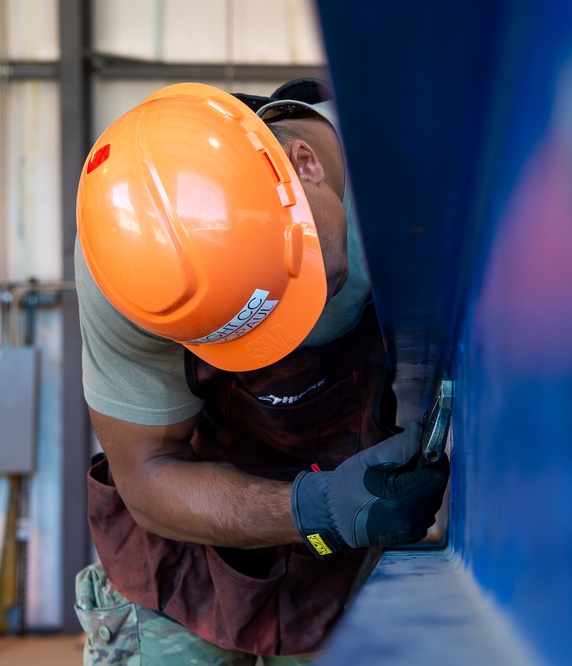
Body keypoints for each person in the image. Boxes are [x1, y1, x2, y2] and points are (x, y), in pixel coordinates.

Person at [72, 78, 450, 664]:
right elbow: (147, 478)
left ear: (307, 165)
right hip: (185, 552)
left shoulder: (421, 183)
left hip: (350, 551)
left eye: (298, 288)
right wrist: (315, 509)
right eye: (234, 335)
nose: (277, 343)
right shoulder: (128, 263)